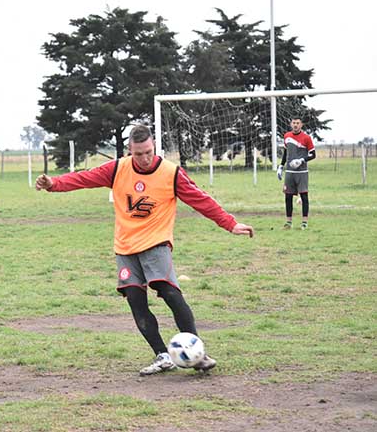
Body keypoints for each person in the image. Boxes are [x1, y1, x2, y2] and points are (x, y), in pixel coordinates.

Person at [36, 124, 254, 376]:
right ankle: (162, 355)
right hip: (125, 247)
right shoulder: (118, 168)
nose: (145, 158)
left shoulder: (171, 173)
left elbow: (200, 199)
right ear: (130, 151)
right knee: (135, 300)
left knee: (170, 294)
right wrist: (54, 183)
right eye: (138, 154)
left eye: (148, 151)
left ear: (154, 146)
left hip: (156, 243)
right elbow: (84, 178)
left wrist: (229, 223)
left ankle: (197, 354)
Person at [276, 117, 315, 230]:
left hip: (302, 172)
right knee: (288, 196)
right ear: (291, 124)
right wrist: (281, 166)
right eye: (294, 123)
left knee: (304, 196)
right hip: (289, 172)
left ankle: (304, 222)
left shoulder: (306, 138)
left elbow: (313, 154)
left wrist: (301, 160)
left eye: (298, 123)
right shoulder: (287, 136)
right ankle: (288, 222)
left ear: (301, 124)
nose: (295, 125)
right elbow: (285, 153)